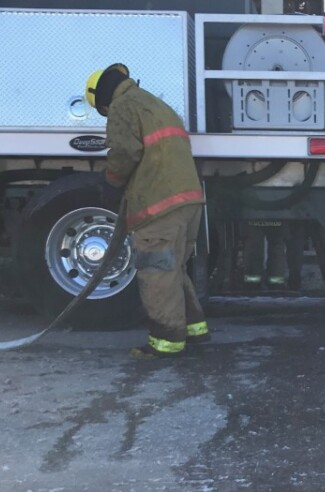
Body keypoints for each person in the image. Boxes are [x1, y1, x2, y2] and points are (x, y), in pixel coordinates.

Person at [86, 63, 210, 358]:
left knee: (156, 271)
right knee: (173, 269)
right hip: (188, 202)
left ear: (103, 102)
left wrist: (111, 182)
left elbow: (126, 152)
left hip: (161, 205)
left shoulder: (122, 106)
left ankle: (165, 343)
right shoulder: (156, 104)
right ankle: (194, 329)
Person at [242, 220, 289, 289]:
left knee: (254, 245)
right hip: (277, 216)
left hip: (254, 216)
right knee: (277, 245)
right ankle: (276, 282)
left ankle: (252, 282)